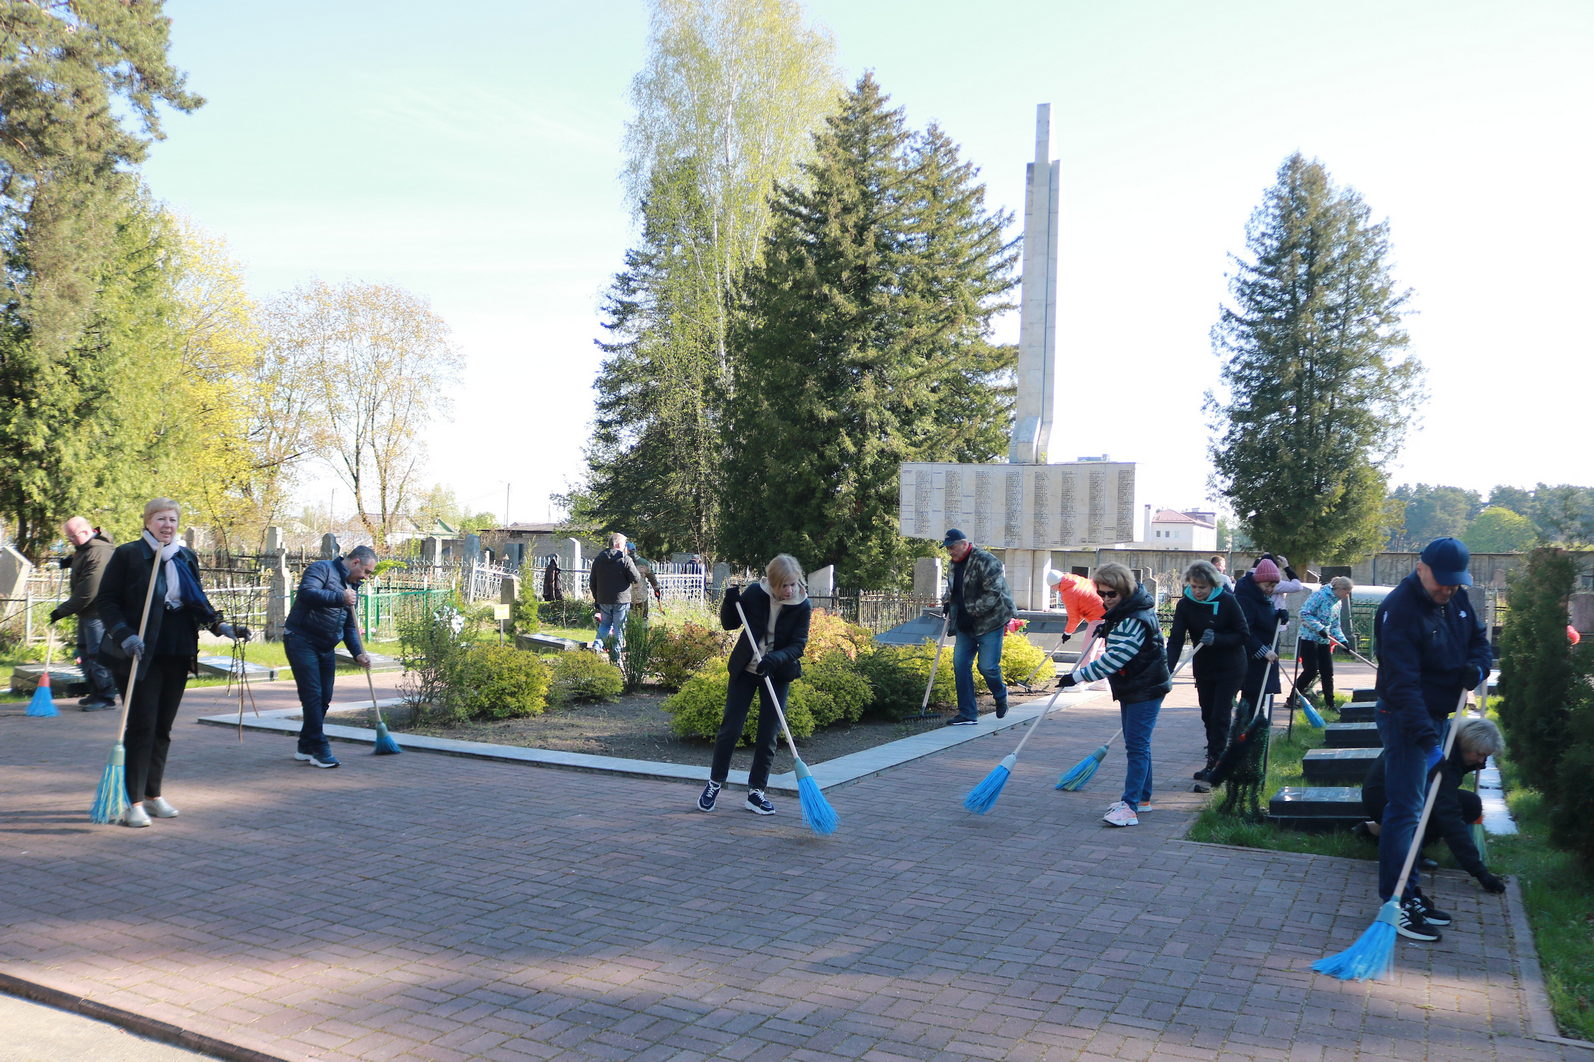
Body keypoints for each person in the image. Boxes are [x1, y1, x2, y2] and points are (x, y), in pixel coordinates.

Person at [95, 498, 247, 828]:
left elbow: (197, 602)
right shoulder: (130, 555)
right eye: (161, 519)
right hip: (139, 652)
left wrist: (221, 627)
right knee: (142, 724)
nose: (167, 525)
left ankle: (153, 795)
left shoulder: (185, 556)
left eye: (173, 519)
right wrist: (125, 635)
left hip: (177, 649)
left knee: (163, 727)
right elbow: (106, 601)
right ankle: (132, 801)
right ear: (147, 522)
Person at [1371, 536, 1494, 942]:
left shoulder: (1455, 599)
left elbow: (1479, 641)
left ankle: (1412, 892)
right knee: (1405, 809)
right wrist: (1430, 746)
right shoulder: (1400, 611)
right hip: (1405, 719)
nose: (1448, 590)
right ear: (1421, 567)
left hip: (1439, 715)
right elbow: (1402, 686)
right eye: (1442, 582)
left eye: (1455, 583)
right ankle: (1396, 901)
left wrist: (1476, 669)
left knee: (1418, 807)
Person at [1055, 562, 1172, 827]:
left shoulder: (1134, 618)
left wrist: (1076, 677)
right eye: (1102, 593)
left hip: (1146, 687)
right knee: (1138, 744)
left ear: (1125, 590)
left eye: (1112, 594)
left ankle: (1129, 808)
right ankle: (1142, 800)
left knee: (1137, 746)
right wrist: (1105, 628)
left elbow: (1115, 659)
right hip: (1135, 686)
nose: (1106, 599)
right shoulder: (1125, 611)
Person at [696, 554, 812, 816]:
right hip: (746, 670)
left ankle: (756, 791)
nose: (790, 590)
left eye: (793, 584)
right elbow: (730, 623)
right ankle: (715, 783)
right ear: (772, 582)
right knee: (731, 729)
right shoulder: (755, 595)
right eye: (784, 585)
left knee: (768, 733)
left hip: (777, 673)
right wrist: (729, 601)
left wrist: (775, 659)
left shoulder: (802, 605)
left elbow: (798, 645)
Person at [1358, 716, 1507, 897]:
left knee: (1469, 803)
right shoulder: (1444, 760)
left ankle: (1377, 832)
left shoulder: (1450, 738)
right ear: (1467, 743)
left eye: (1486, 757)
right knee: (1455, 809)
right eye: (1479, 754)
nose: (1481, 761)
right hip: (1385, 798)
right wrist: (1480, 873)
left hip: (1393, 792)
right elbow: (1449, 818)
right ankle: (1407, 848)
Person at [283, 545, 377, 769]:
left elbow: (349, 626)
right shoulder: (321, 569)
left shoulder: (352, 587)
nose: (365, 577)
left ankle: (305, 745)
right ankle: (319, 748)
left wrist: (358, 653)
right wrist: (339, 597)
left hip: (326, 646)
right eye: (366, 571)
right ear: (355, 563)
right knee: (313, 695)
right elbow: (307, 593)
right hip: (301, 639)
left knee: (324, 698)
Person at [1165, 559, 1249, 788]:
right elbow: (1175, 639)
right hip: (1204, 667)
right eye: (1193, 586)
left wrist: (1219, 639)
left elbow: (1243, 634)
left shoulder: (1227, 601)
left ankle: (1216, 765)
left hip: (1230, 666)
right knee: (1207, 714)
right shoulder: (1185, 605)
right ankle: (1215, 758)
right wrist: (1167, 669)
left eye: (1202, 587)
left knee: (1219, 715)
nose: (1197, 591)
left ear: (1213, 585)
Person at [939, 528, 1016, 725]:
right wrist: (947, 601)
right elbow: (953, 588)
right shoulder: (953, 564)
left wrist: (970, 611)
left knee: (987, 667)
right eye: (947, 548)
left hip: (990, 621)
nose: (950, 551)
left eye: (952, 547)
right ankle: (967, 713)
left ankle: (1000, 695)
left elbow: (993, 592)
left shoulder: (987, 560)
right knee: (960, 664)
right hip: (965, 624)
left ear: (964, 544)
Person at [48, 516, 119, 711]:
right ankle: (95, 692)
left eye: (71, 537)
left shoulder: (99, 552)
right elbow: (82, 560)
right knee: (83, 652)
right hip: (86, 613)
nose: (69, 541)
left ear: (85, 532)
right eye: (68, 537)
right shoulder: (86, 549)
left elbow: (87, 592)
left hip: (97, 613)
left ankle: (105, 696)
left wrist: (61, 611)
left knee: (96, 655)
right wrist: (70, 561)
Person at [1233, 557, 1287, 728]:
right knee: (1251, 696)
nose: (1270, 590)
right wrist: (1263, 650)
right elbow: (1245, 631)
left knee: (1260, 696)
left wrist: (1278, 615)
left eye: (1273, 586)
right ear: (1258, 582)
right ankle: (1244, 731)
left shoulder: (1261, 596)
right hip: (1252, 657)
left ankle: (1256, 727)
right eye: (1267, 586)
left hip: (1264, 656)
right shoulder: (1246, 599)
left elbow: (1264, 619)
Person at [1291, 576, 1353, 711]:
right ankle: (1292, 698)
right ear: (1340, 589)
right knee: (1311, 670)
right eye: (1347, 592)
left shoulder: (1338, 603)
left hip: (1324, 640)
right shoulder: (1319, 596)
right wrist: (1319, 628)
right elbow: (1304, 613)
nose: (1347, 595)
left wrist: (1343, 641)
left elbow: (1335, 624)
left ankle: (1330, 703)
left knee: (1327, 672)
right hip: (1308, 637)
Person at [589, 532, 640, 656]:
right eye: (624, 544)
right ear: (618, 544)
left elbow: (592, 582)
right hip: (621, 600)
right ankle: (616, 656)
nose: (625, 547)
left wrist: (597, 598)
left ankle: (597, 645)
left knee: (605, 625)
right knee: (619, 628)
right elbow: (636, 578)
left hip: (603, 599)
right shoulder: (625, 559)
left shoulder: (599, 559)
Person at [626, 540, 663, 618]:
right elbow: (652, 578)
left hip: (627, 597)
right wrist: (656, 589)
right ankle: (643, 629)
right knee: (643, 618)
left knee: (629, 619)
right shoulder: (644, 563)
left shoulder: (622, 562)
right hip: (641, 595)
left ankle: (630, 629)